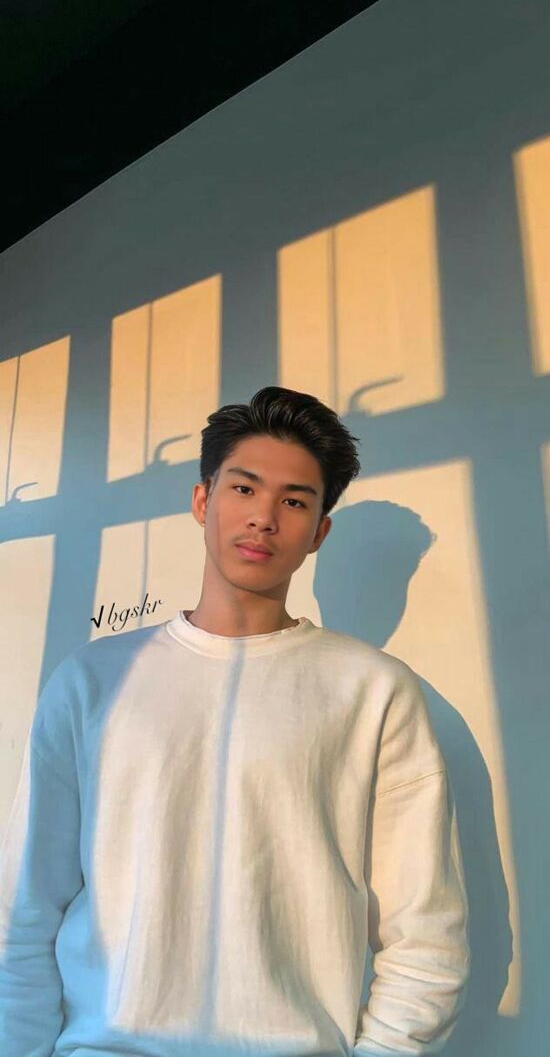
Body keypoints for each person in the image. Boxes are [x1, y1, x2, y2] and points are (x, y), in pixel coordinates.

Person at [0, 385, 469, 1056]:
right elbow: (24, 910)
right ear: (203, 500)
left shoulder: (374, 693)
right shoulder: (93, 680)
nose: (264, 518)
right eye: (244, 489)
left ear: (319, 532)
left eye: (295, 502)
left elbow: (426, 935)